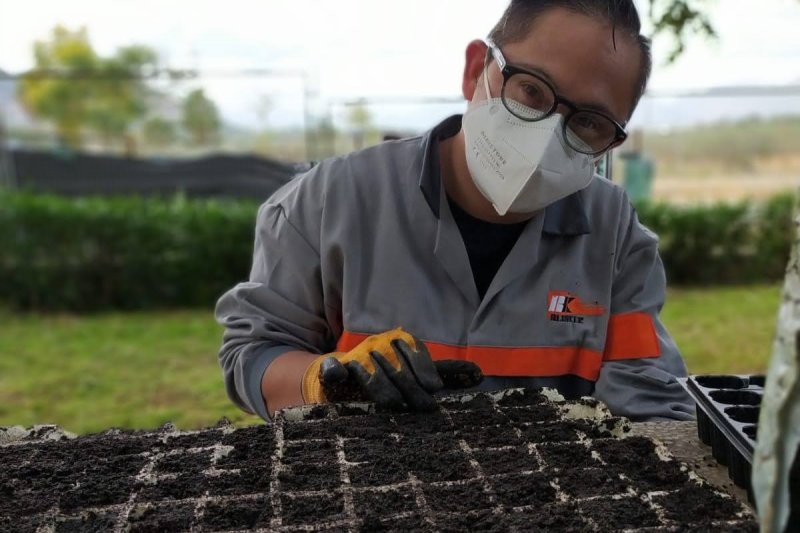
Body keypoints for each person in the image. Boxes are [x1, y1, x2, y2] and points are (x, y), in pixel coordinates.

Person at [215, 0, 695, 421]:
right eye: (531, 90)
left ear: (611, 138)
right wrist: (322, 381)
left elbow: (648, 403)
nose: (547, 135)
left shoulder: (615, 239)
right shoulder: (328, 202)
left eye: (589, 122)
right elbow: (252, 355)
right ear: (475, 71)